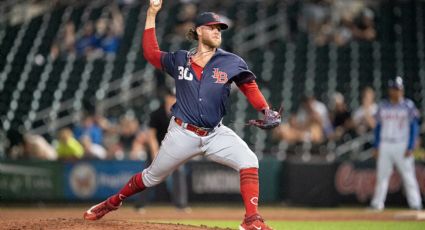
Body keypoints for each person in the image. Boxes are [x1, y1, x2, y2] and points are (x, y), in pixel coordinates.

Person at [83, 1, 280, 229]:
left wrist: (266, 110)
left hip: (215, 134)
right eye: (212, 27)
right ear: (198, 31)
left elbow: (249, 87)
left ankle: (251, 220)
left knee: (249, 161)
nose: (217, 31)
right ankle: (111, 203)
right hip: (182, 134)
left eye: (220, 28)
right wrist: (151, 13)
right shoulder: (179, 59)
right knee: (150, 177)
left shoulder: (231, 62)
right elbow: (150, 53)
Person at [370, 76, 422, 211]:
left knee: (408, 175)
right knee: (382, 176)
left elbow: (414, 127)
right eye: (393, 88)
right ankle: (377, 204)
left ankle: (415, 203)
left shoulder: (408, 106)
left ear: (402, 90)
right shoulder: (383, 106)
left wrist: (410, 145)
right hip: (385, 144)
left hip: (401, 144)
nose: (395, 91)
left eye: (398, 89)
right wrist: (376, 146)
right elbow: (378, 128)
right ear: (390, 90)